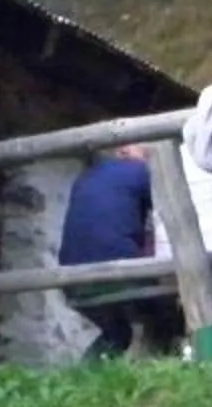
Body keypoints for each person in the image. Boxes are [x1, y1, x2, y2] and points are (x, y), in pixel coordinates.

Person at [56, 146, 168, 359]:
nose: (149, 157)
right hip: (120, 273)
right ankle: (171, 377)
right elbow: (170, 211)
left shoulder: (84, 178)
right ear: (123, 151)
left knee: (117, 335)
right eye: (144, 152)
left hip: (71, 281)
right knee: (166, 317)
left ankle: (82, 378)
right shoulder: (140, 173)